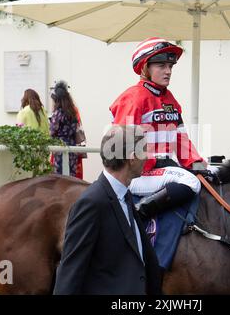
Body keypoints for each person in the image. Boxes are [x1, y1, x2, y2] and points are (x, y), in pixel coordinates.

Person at [109, 37, 217, 219]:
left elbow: (182, 141)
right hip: (136, 174)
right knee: (190, 182)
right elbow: (121, 148)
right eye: (161, 66)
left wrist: (197, 164)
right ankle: (137, 216)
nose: (168, 71)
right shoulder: (134, 97)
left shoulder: (170, 99)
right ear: (145, 68)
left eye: (170, 67)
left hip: (164, 169)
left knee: (215, 174)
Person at [53, 125, 162, 295]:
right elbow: (70, 272)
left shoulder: (125, 195)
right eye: (144, 152)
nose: (147, 157)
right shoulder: (91, 203)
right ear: (132, 158)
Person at [49, 80, 84, 178]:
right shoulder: (72, 112)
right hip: (72, 146)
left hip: (60, 147)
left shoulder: (57, 114)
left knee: (59, 177)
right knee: (70, 176)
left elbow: (52, 132)